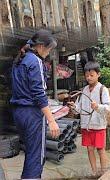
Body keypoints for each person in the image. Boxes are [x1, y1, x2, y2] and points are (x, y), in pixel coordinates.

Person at [10, 29, 60, 179]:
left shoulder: (19, 61)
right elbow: (39, 94)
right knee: (36, 156)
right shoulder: (35, 61)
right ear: (40, 46)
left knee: (31, 152)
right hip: (32, 114)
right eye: (49, 49)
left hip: (18, 113)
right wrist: (51, 120)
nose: (49, 53)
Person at [68, 61, 110, 175]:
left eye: (92, 75)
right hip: (86, 126)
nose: (89, 78)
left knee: (100, 150)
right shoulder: (84, 90)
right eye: (87, 75)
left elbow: (108, 107)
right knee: (90, 149)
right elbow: (79, 109)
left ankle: (104, 173)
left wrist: (98, 106)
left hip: (99, 125)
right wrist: (74, 107)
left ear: (98, 74)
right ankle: (94, 172)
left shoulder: (103, 89)